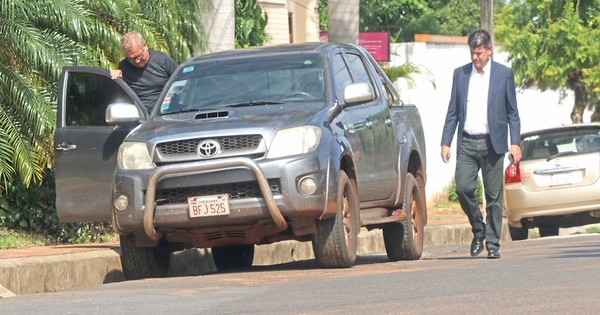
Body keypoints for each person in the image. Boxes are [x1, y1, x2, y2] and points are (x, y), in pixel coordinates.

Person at [440, 28, 522, 259]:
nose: (475, 58)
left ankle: (493, 244)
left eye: (479, 53)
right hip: (467, 142)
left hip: (493, 144)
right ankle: (479, 229)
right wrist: (446, 141)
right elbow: (453, 111)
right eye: (472, 53)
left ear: (489, 50)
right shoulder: (460, 74)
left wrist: (514, 143)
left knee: (494, 198)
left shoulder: (503, 74)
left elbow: (512, 113)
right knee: (463, 188)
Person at [110, 31, 178, 112]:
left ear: (145, 46)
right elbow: (120, 96)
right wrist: (116, 79)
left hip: (168, 112)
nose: (137, 61)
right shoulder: (123, 67)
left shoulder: (163, 61)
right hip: (142, 117)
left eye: (139, 56)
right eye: (131, 59)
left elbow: (182, 82)